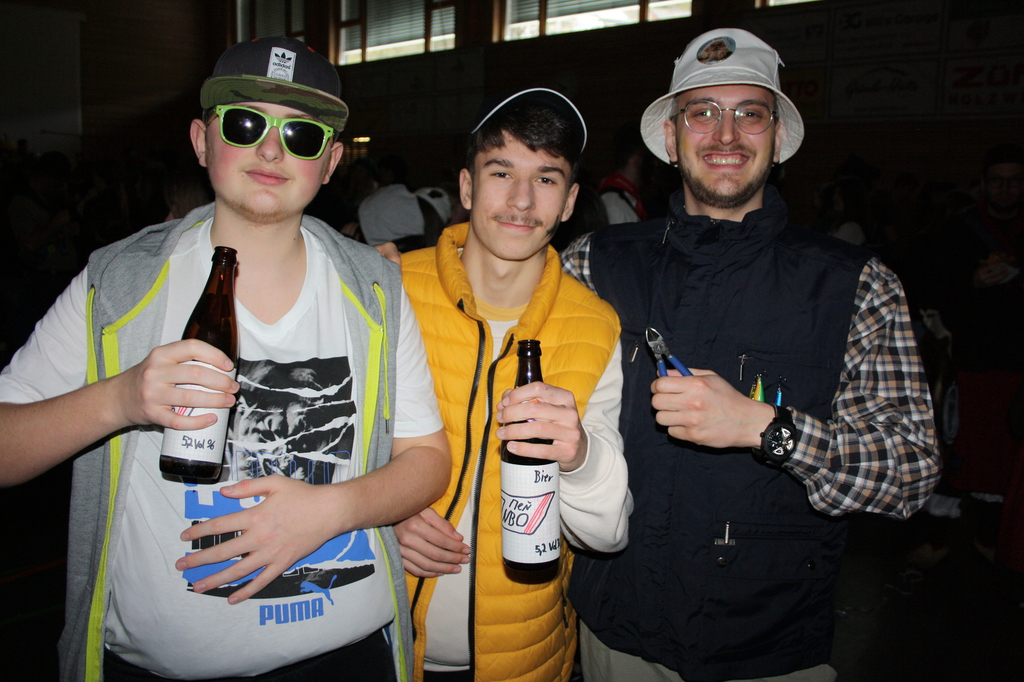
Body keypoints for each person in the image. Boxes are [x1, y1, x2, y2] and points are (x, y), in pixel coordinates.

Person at [0, 36, 450, 682]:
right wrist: (119, 399)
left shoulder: (373, 288)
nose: (270, 150)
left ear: (330, 163)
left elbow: (427, 459)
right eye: (245, 124)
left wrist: (330, 510)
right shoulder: (120, 284)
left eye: (300, 134)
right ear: (201, 141)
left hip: (348, 658)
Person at [561, 28, 940, 682]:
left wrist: (765, 428)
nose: (726, 135)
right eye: (702, 112)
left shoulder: (856, 285)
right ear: (671, 139)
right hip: (617, 633)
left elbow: (909, 470)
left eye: (750, 114)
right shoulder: (595, 264)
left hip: (769, 645)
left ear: (778, 138)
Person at [395, 88, 632, 681]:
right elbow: (321, 447)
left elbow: (606, 533)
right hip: (381, 643)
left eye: (546, 179)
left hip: (527, 659)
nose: (522, 200)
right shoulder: (389, 287)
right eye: (501, 172)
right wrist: (378, 512)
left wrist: (579, 457)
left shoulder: (595, 325)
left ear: (570, 201)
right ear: (467, 186)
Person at [923, 143, 1024, 562]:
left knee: (1008, 455)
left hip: (1018, 364)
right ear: (984, 183)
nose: (1005, 189)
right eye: (997, 181)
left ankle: (994, 537)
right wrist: (973, 282)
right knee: (960, 446)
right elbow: (931, 285)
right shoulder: (958, 230)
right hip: (970, 361)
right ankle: (936, 539)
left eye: (1014, 181)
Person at [597, 121, 651, 224]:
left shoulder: (624, 197)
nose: (655, 165)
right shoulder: (613, 203)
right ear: (636, 159)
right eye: (649, 159)